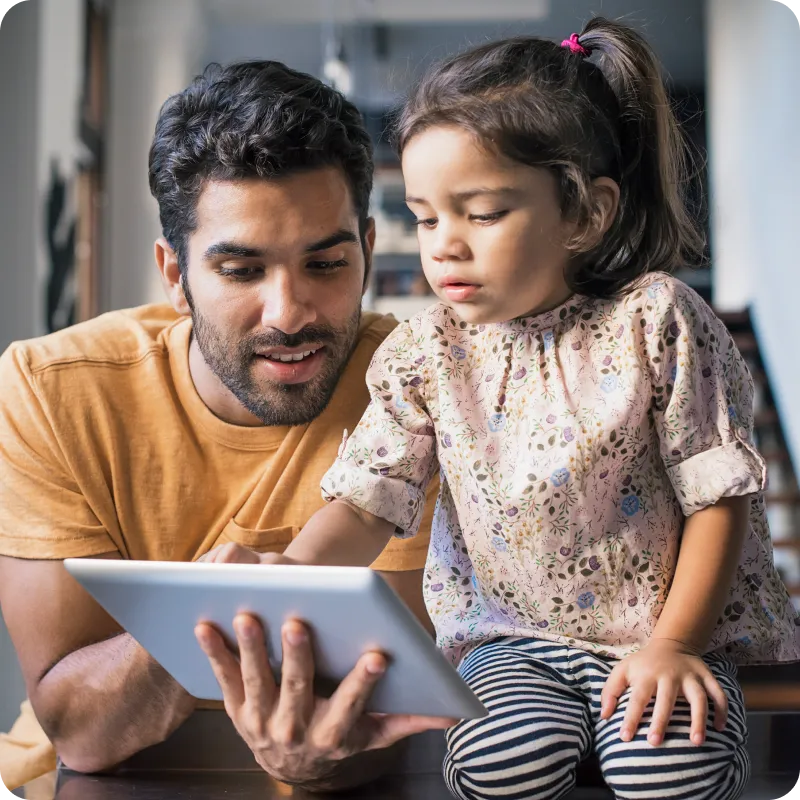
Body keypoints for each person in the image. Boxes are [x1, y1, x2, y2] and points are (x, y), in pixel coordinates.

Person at [249, 18, 800, 800]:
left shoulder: (657, 321)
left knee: (666, 775)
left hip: (661, 634)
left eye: (481, 213)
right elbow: (369, 500)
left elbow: (718, 498)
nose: (444, 245)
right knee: (500, 766)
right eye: (426, 216)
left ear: (585, 213)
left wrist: (676, 645)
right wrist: (294, 574)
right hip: (513, 644)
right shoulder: (425, 351)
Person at [0, 60, 449, 793]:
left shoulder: (424, 388)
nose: (289, 313)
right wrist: (209, 611)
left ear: (367, 252)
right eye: (241, 271)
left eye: (326, 264)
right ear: (175, 276)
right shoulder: (49, 391)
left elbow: (394, 705)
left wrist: (314, 751)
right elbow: (80, 729)